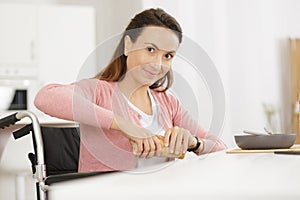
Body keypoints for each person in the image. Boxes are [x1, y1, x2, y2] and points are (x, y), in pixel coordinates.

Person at [34, 8, 226, 172]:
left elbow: (220, 147)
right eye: (150, 49)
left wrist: (194, 142)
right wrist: (125, 126)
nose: (158, 64)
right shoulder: (100, 91)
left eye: (167, 55)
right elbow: (45, 97)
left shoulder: (168, 102)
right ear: (128, 45)